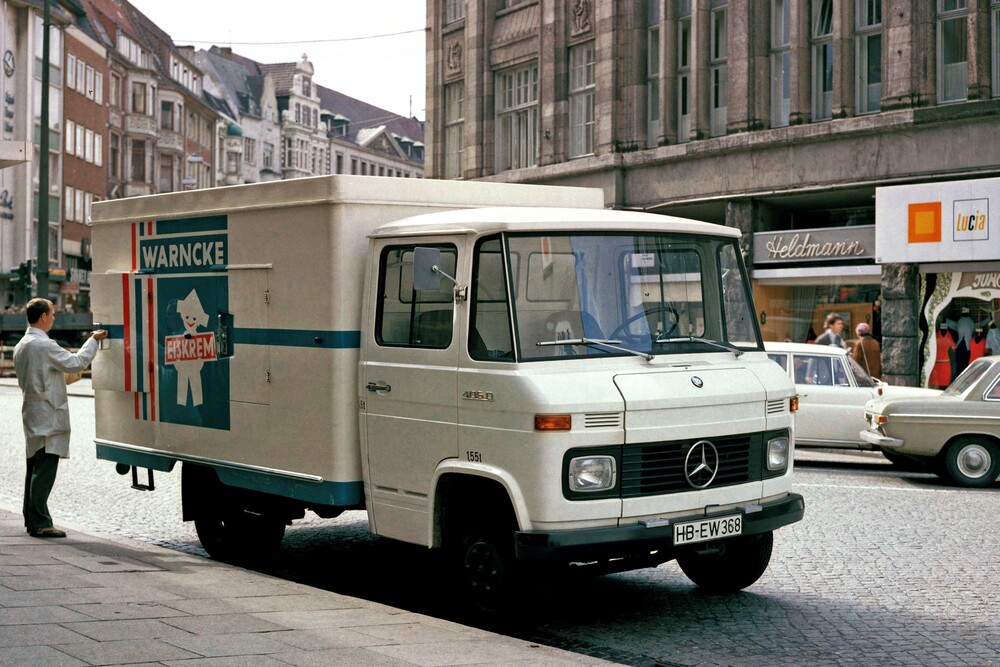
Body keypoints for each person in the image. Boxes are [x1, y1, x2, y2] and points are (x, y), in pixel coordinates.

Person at [13, 298, 107, 538]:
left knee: (34, 466)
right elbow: (77, 362)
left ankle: (31, 518)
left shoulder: (22, 344)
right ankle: (41, 522)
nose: (54, 317)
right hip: (48, 412)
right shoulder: (44, 345)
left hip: (32, 411)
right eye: (52, 313)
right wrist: (93, 340)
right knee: (45, 468)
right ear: (43, 317)